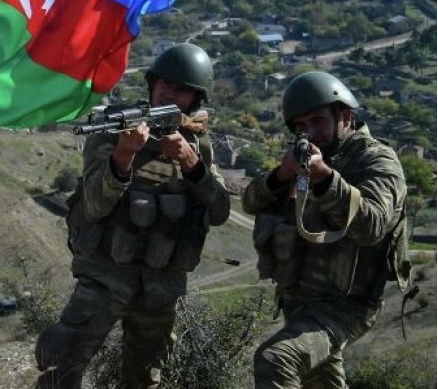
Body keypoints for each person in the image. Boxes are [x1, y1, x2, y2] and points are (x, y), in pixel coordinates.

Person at [34, 43, 230, 388]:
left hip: (160, 287)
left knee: (144, 379)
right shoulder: (115, 130)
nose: (169, 93)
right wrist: (123, 156)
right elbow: (94, 206)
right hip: (105, 275)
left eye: (181, 89)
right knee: (62, 362)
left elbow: (220, 211)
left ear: (195, 99)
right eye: (164, 84)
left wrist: (191, 164)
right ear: (153, 83)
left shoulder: (198, 144)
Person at [242, 70, 409, 388]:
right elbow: (250, 202)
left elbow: (372, 225)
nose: (310, 132)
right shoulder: (305, 157)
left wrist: (324, 179)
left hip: (344, 306)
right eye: (301, 126)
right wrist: (280, 175)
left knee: (276, 359)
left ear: (345, 116)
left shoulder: (377, 161)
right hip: (299, 301)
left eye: (318, 121)